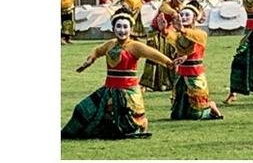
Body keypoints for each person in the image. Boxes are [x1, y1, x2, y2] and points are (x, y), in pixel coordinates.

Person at [61, 8, 176, 139]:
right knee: (81, 109)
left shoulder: (135, 46)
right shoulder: (110, 44)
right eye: (119, 26)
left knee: (125, 124)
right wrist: (89, 60)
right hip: (109, 89)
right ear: (113, 28)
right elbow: (97, 51)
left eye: (125, 27)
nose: (122, 30)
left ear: (131, 29)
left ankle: (139, 124)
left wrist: (170, 63)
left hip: (127, 92)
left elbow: (154, 54)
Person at [159, 0, 224, 120]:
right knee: (177, 115)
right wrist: (164, 30)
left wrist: (182, 30)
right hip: (182, 74)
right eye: (182, 15)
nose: (183, 17)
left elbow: (193, 36)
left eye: (187, 15)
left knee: (197, 114)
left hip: (195, 73)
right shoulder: (178, 34)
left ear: (194, 18)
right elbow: (172, 37)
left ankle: (211, 106)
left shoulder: (200, 34)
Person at [140, 0, 188, 92]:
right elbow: (166, 10)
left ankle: (171, 82)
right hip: (157, 33)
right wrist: (174, 13)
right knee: (157, 55)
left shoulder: (181, 6)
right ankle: (150, 83)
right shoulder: (166, 5)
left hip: (170, 33)